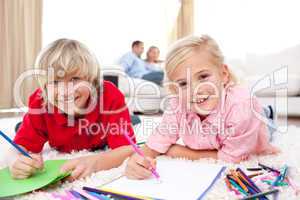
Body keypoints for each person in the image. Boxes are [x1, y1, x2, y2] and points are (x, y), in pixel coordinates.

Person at [124, 35, 279, 179]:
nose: (195, 90)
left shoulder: (242, 107)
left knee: (266, 126)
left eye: (203, 76)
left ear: (223, 74)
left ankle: (267, 112)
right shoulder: (178, 103)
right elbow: (157, 142)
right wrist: (137, 160)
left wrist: (178, 151)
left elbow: (232, 158)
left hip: (253, 122)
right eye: (183, 83)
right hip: (223, 130)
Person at [9, 39, 135, 181]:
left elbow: (128, 149)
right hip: (52, 129)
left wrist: (95, 162)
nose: (65, 92)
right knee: (22, 128)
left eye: (75, 79)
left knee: (131, 121)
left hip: (101, 137)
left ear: (91, 80)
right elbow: (17, 149)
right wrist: (14, 161)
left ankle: (132, 118)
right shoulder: (39, 103)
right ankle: (23, 125)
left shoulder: (110, 95)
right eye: (55, 82)